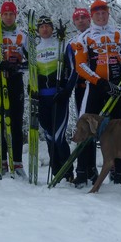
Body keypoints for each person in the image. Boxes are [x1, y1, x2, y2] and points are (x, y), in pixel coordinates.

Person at [72, 0, 121, 187]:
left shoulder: (120, 34)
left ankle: (119, 173)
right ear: (92, 16)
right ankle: (83, 172)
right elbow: (80, 65)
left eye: (104, 12)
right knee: (86, 127)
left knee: (119, 130)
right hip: (96, 88)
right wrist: (99, 82)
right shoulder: (84, 37)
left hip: (117, 88)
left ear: (108, 14)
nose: (101, 16)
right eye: (97, 13)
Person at [0, 1, 28, 177]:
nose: (8, 17)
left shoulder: (22, 36)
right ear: (1, 16)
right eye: (5, 14)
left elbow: (31, 63)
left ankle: (17, 162)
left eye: (11, 14)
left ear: (15, 15)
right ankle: (2, 161)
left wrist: (17, 67)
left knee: (16, 121)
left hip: (15, 81)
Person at [35, 15, 73, 180]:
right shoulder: (34, 50)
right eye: (41, 26)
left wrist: (67, 91)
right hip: (42, 99)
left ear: (52, 28)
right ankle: (57, 172)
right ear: (38, 30)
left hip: (59, 97)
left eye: (47, 26)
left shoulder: (62, 46)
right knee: (49, 137)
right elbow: (26, 69)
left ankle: (69, 173)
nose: (45, 29)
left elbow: (74, 69)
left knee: (59, 136)